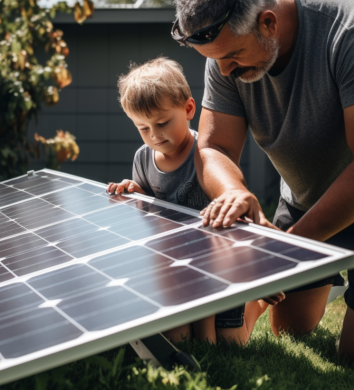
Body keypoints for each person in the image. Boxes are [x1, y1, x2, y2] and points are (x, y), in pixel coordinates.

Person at [171, 0, 354, 368]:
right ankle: (324, 274)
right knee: (290, 330)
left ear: (268, 23)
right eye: (217, 62)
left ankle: (351, 278)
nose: (224, 71)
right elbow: (213, 148)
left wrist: (290, 249)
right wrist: (234, 192)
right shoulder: (225, 53)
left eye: (231, 58)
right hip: (305, 198)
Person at [106, 56, 269, 345]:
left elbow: (231, 210)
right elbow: (149, 214)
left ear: (189, 109)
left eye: (163, 122)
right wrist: (135, 193)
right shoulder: (143, 159)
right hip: (174, 262)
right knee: (176, 339)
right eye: (143, 128)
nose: (154, 135)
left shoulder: (207, 154)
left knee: (226, 343)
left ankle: (253, 305)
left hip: (216, 260)